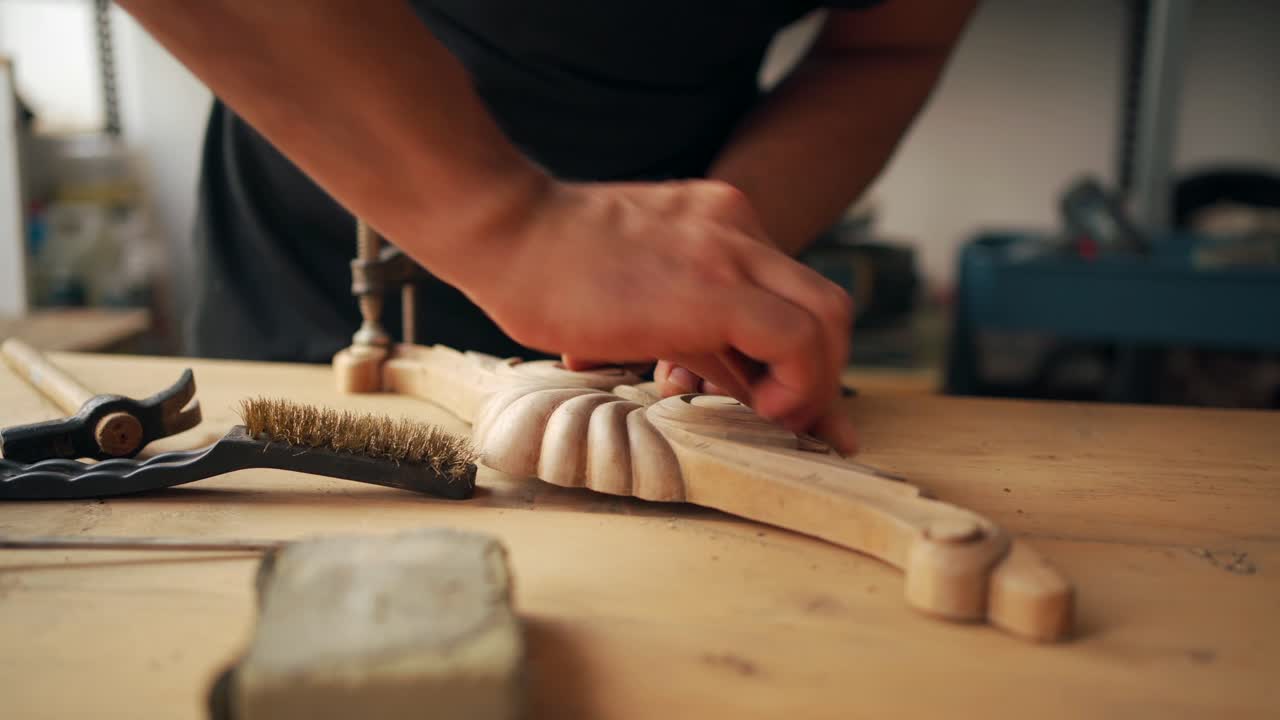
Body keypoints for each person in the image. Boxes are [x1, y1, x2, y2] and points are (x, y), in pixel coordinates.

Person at [117, 0, 976, 453]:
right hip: (314, 272)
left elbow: (886, 47)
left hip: (671, 326)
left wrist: (731, 238)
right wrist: (506, 223)